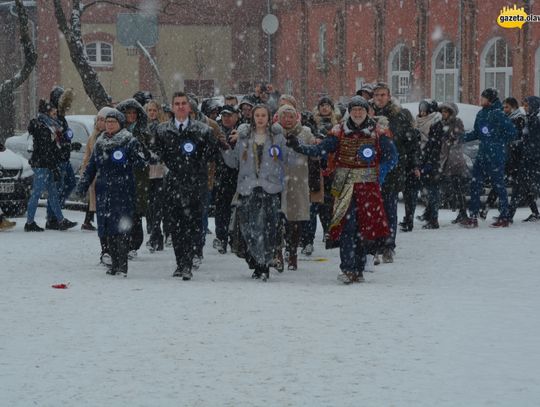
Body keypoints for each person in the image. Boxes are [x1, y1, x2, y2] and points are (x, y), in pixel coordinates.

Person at [287, 96, 398, 284]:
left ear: (367, 112)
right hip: (344, 187)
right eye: (354, 109)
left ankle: (360, 267)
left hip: (368, 187)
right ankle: (347, 268)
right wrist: (300, 147)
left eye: (360, 110)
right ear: (349, 111)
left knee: (365, 228)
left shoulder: (378, 132)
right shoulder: (338, 131)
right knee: (347, 227)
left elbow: (392, 157)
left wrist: (380, 174)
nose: (357, 113)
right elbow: (321, 149)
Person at [152, 91, 227, 280]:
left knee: (193, 225)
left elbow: (213, 154)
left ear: (189, 107)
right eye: (176, 103)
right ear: (172, 106)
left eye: (183, 103)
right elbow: (155, 154)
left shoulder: (202, 130)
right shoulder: (162, 130)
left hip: (196, 183)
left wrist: (198, 164)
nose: (180, 107)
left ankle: (190, 261)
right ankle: (180, 263)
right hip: (174, 184)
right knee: (176, 226)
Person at [221, 104, 287, 281]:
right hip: (248, 187)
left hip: (270, 187)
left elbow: (285, 159)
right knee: (249, 228)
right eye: (257, 115)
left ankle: (264, 263)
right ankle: (257, 261)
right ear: (253, 117)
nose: (260, 118)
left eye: (263, 115)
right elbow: (234, 162)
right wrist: (224, 147)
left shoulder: (277, 138)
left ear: (268, 117)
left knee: (269, 227)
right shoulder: (244, 137)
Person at [77, 109, 147, 276]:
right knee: (107, 229)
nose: (109, 125)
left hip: (122, 191)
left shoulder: (129, 141)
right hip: (104, 191)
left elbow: (141, 162)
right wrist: (83, 185)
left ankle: (122, 265)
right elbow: (92, 167)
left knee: (121, 229)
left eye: (113, 122)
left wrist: (138, 154)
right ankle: (114, 263)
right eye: (107, 122)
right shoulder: (100, 143)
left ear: (120, 124)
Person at [372, 82, 419, 263]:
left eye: (383, 95)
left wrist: (414, 164)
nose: (380, 98)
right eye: (377, 95)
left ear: (389, 96)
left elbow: (411, 141)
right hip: (372, 169)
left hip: (394, 168)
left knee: (390, 209)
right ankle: (374, 245)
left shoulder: (400, 115)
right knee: (373, 209)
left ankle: (389, 245)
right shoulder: (368, 114)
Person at [460, 88, 516, 228]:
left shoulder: (498, 114)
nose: (481, 100)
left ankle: (504, 217)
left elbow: (512, 132)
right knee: (475, 184)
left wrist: (497, 141)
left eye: (483, 98)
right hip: (482, 154)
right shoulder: (480, 113)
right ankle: (473, 217)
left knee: (499, 186)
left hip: (495, 155)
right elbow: (477, 133)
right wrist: (460, 137)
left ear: (490, 100)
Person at [24, 99, 77, 232]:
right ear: (46, 113)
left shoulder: (51, 126)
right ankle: (29, 223)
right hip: (42, 165)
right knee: (37, 193)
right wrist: (54, 167)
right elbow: (46, 150)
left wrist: (68, 147)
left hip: (47, 164)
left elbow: (54, 148)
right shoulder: (43, 127)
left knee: (53, 194)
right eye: (53, 113)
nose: (55, 115)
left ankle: (60, 220)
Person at [276, 104, 315, 270]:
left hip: (299, 181)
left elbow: (314, 150)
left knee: (296, 220)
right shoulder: (274, 132)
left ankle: (292, 253)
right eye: (284, 116)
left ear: (296, 117)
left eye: (291, 116)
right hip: (277, 181)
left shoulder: (305, 132)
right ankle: (277, 252)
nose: (288, 119)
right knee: (277, 219)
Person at [116, 98, 151, 257]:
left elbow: (148, 153)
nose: (131, 115)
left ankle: (134, 244)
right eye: (127, 113)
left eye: (133, 113)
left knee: (136, 212)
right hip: (120, 176)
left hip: (138, 176)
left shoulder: (143, 132)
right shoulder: (117, 132)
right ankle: (122, 242)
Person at [45, 87, 77, 230]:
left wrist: (68, 142)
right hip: (57, 159)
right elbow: (54, 140)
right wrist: (67, 145)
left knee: (70, 183)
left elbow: (64, 135)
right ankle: (53, 218)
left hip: (65, 158)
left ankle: (56, 211)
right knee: (56, 188)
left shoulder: (61, 116)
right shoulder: (51, 116)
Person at [508, 96, 540, 222]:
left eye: (527, 105)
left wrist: (521, 145)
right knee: (525, 187)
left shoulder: (536, 121)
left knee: (519, 187)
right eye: (525, 105)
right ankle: (535, 213)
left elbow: (534, 142)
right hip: (528, 160)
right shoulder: (530, 119)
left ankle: (508, 216)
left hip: (532, 161)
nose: (525, 108)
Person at [213, 105, 240, 254]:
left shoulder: (242, 131)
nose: (226, 118)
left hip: (237, 176)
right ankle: (221, 239)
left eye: (229, 115)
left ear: (236, 116)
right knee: (221, 209)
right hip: (220, 176)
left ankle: (233, 239)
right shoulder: (217, 131)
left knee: (235, 210)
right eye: (224, 116)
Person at [439, 103, 468, 224]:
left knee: (458, 188)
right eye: (443, 112)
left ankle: (463, 213)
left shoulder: (457, 122)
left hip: (455, 160)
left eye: (446, 112)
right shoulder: (442, 124)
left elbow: (459, 137)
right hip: (446, 159)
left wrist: (450, 137)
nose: (443, 114)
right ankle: (460, 213)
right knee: (453, 188)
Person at [145, 100, 168, 252]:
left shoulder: (162, 128)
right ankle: (155, 234)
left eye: (154, 110)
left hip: (158, 167)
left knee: (157, 203)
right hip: (148, 167)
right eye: (149, 110)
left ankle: (156, 234)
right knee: (150, 203)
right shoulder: (145, 127)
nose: (152, 113)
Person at [418, 100, 444, 229]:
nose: (422, 112)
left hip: (433, 162)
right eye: (421, 109)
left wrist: (428, 160)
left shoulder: (436, 123)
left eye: (425, 110)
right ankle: (429, 214)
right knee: (427, 190)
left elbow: (435, 145)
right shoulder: (420, 122)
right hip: (423, 159)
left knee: (433, 191)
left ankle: (434, 219)